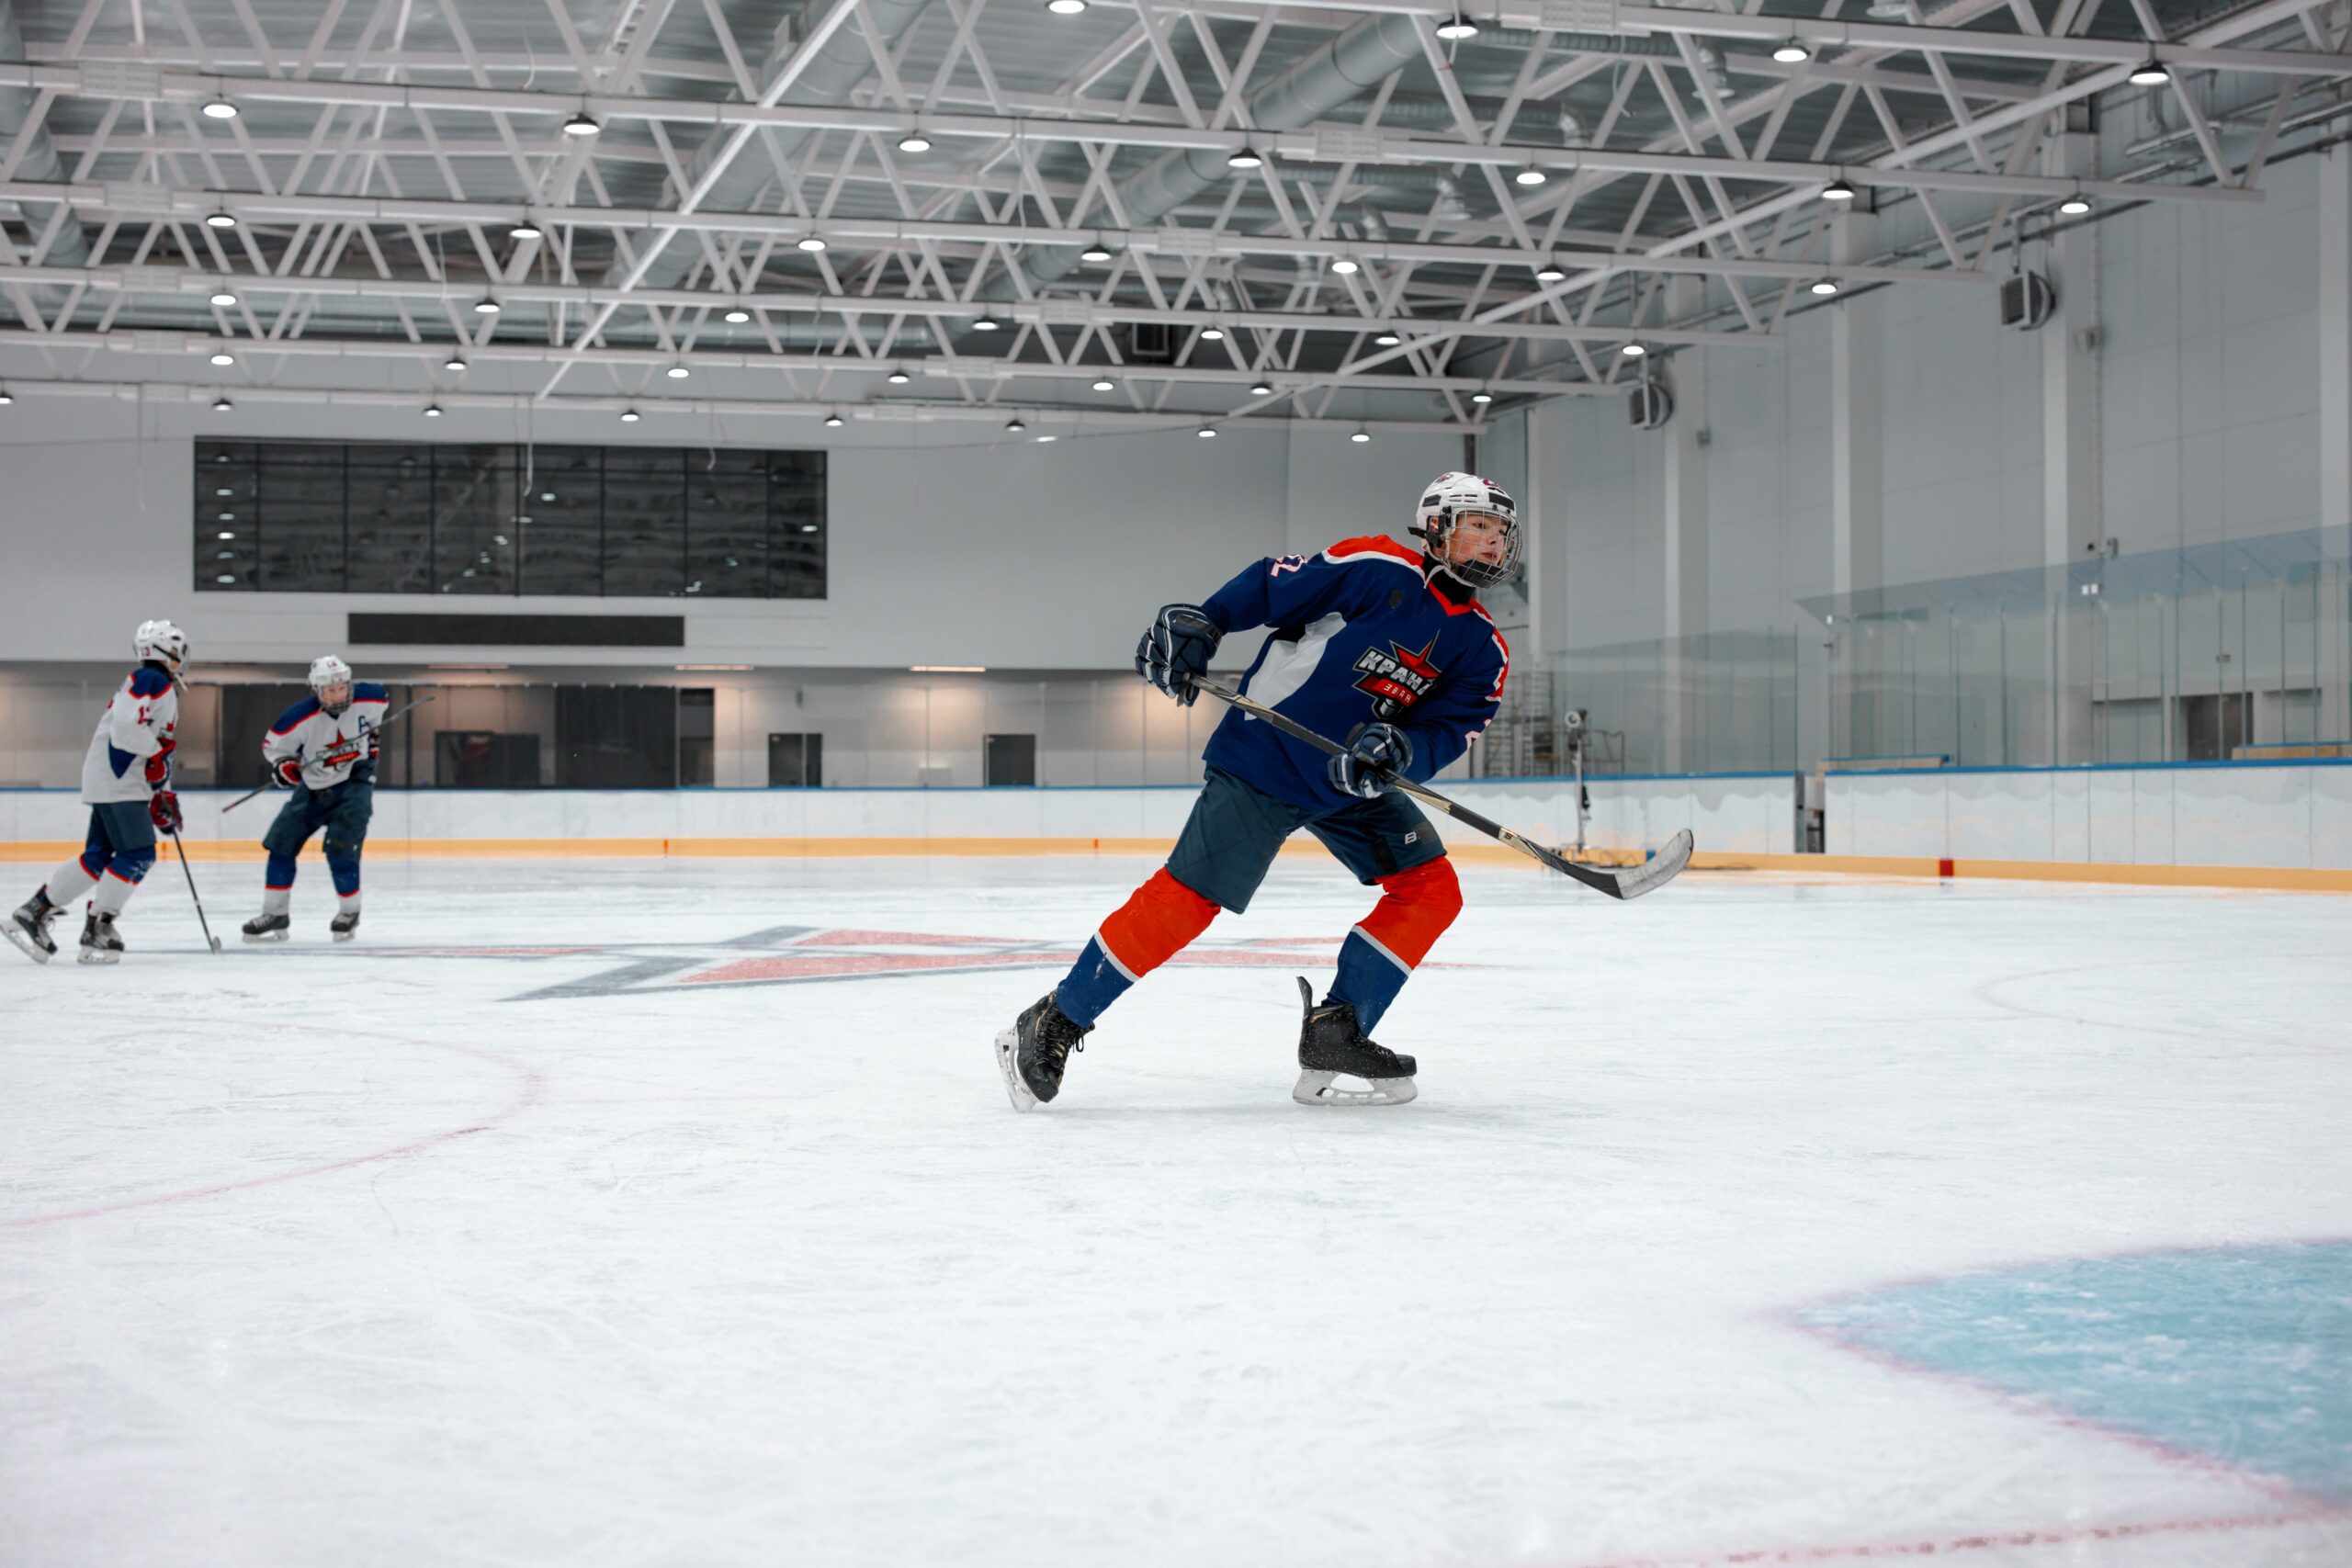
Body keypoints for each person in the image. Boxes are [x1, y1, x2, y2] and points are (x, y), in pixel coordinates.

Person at [996, 471, 1518, 1111]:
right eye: (1478, 527)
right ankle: (1054, 1019)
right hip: (1267, 755)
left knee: (1432, 888)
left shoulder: (1485, 648)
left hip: (1346, 781)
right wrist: (1210, 621)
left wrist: (1404, 750)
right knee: (1188, 899)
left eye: (1499, 533)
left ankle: (1338, 1029)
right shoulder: (1378, 566)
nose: (1492, 544)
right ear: (1436, 527)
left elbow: (1450, 726)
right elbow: (1274, 584)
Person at [6, 620, 189, 965]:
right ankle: (99, 926)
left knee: (98, 855)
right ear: (167, 651)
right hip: (121, 780)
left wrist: (161, 792)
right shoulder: (151, 680)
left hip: (113, 778)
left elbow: (153, 747)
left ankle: (34, 911)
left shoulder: (153, 683)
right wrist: (152, 762)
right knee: (138, 854)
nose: (181, 657)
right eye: (178, 650)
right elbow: (127, 729)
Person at [241, 656, 386, 944]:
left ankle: (349, 911)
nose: (337, 695)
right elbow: (274, 747)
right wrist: (284, 766)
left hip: (354, 783)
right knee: (281, 843)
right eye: (329, 690)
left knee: (341, 849)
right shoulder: (299, 717)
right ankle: (275, 913)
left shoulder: (372, 699)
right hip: (313, 786)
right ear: (317, 691)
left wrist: (371, 746)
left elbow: (379, 708)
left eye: (341, 688)